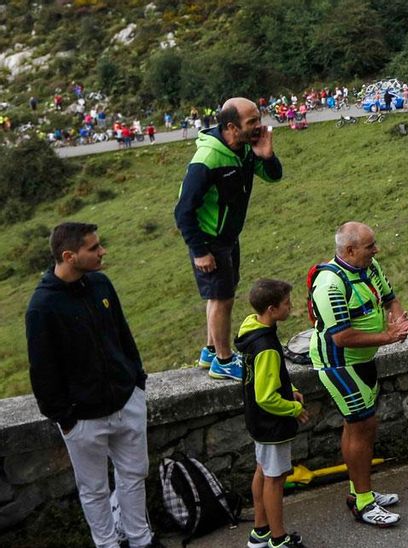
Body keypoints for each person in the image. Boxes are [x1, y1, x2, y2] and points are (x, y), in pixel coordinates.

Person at [26, 223, 163, 548]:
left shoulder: (101, 284)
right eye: (94, 248)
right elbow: (42, 371)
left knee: (133, 476)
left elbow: (123, 334)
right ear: (69, 256)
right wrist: (66, 418)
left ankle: (141, 540)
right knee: (94, 489)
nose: (102, 252)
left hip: (126, 402)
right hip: (83, 420)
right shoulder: (42, 307)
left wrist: (137, 382)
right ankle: (106, 545)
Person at [308, 222, 408, 526]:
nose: (376, 250)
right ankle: (364, 503)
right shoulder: (330, 285)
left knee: (361, 426)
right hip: (339, 363)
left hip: (363, 358)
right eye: (370, 247)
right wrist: (389, 338)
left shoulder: (369, 266)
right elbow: (342, 337)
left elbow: (390, 298)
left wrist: (399, 320)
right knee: (362, 425)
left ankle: (359, 491)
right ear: (350, 250)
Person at [175, 97, 282, 381]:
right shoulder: (208, 160)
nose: (259, 126)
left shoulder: (245, 149)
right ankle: (223, 360)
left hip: (229, 237)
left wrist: (266, 155)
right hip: (209, 240)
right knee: (222, 299)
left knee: (222, 295)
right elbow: (183, 211)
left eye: (258, 119)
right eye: (252, 122)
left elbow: (274, 177)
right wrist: (199, 251)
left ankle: (210, 350)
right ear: (232, 127)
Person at [237, 279, 309, 548]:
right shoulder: (266, 346)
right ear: (271, 309)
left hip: (257, 422)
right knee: (275, 478)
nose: (291, 307)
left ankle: (260, 531)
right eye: (287, 303)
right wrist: (294, 408)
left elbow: (266, 377)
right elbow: (266, 396)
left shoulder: (252, 331)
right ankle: (278, 538)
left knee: (263, 471)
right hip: (272, 424)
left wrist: (290, 388)